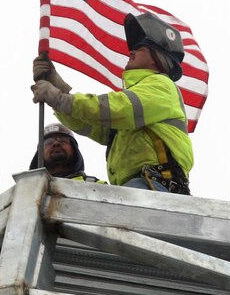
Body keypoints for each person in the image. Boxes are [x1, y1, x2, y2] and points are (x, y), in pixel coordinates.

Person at [31, 12, 193, 194]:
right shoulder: (138, 108)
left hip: (155, 186)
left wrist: (60, 98)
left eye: (140, 48)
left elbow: (117, 108)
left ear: (157, 57)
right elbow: (92, 124)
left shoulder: (162, 85)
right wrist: (58, 91)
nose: (131, 52)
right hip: (140, 187)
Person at [0, 123, 100, 204]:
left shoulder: (96, 186)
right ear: (39, 153)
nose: (56, 144)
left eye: (63, 140)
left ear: (74, 149)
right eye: (48, 142)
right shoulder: (24, 192)